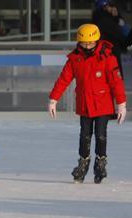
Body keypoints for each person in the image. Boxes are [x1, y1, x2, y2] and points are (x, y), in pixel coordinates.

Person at [48, 23, 127, 184]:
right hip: (84, 105)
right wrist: (53, 99)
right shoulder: (75, 59)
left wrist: (121, 104)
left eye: (91, 43)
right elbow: (64, 79)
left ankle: (100, 162)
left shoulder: (107, 58)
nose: (88, 46)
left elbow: (116, 82)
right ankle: (83, 162)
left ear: (97, 41)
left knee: (100, 135)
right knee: (84, 135)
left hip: (102, 105)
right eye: (84, 43)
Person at [91, 0, 127, 68]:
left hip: (102, 54)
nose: (111, 9)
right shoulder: (108, 22)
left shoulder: (97, 21)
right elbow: (121, 37)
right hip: (111, 54)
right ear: (104, 8)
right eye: (109, 6)